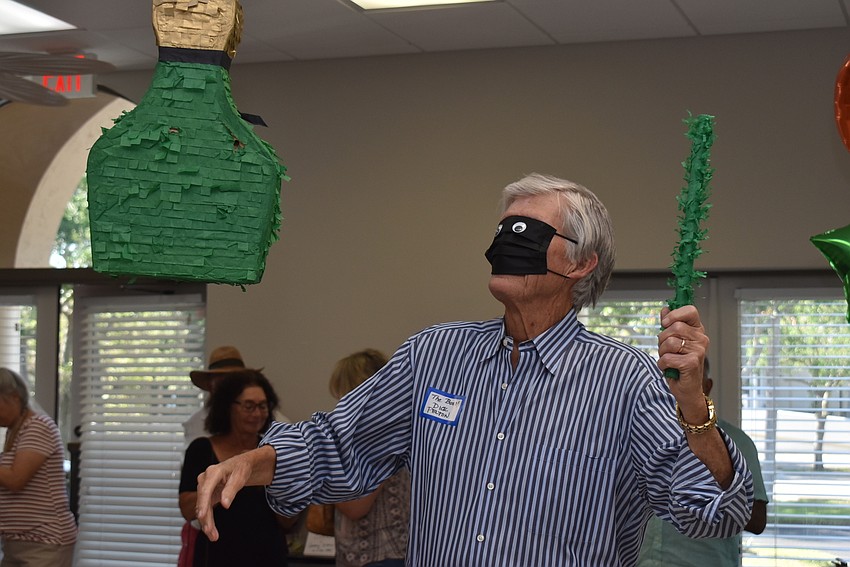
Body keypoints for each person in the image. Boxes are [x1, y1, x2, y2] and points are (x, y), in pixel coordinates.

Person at [195, 173, 754, 566]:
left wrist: (694, 407)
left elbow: (713, 511)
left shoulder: (624, 379)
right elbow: (339, 446)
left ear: (581, 263)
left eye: (530, 233)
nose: (508, 243)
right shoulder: (433, 355)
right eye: (504, 230)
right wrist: (252, 460)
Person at [636, 360, 768, 566]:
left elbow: (758, 521)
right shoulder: (641, 437)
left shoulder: (737, 443)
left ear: (707, 386)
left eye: (686, 378)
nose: (674, 388)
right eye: (667, 380)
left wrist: (712, 493)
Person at [179, 369, 291, 566]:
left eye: (262, 406)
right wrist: (220, 485)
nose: (257, 414)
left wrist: (273, 482)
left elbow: (288, 521)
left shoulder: (272, 451)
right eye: (249, 406)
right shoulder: (201, 449)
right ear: (227, 407)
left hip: (268, 557)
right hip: (215, 556)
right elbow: (188, 510)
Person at [328, 349, 410, 567]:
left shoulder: (380, 434)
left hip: (380, 554)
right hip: (375, 554)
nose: (340, 405)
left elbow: (355, 506)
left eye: (344, 395)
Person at [0, 368, 77, 567]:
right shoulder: (14, 431)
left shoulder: (37, 427)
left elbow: (16, 480)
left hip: (45, 542)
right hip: (17, 542)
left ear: (14, 398)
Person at [183, 345, 289, 447]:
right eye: (223, 383)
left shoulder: (278, 423)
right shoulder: (194, 424)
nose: (229, 389)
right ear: (210, 386)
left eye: (235, 382)